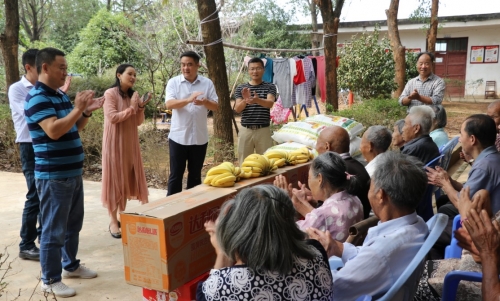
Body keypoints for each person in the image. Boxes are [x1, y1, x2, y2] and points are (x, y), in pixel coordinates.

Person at [24, 47, 103, 297]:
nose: (65, 72)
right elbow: (54, 131)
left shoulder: (58, 96)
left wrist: (86, 110)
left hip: (72, 173)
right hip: (53, 177)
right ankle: (50, 278)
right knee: (53, 229)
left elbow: (74, 127)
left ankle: (70, 266)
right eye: (61, 67)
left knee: (72, 226)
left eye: (66, 68)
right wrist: (78, 108)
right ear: (44, 68)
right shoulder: (37, 97)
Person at [306, 151, 429, 300]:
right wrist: (338, 248)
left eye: (371, 185)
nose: (368, 192)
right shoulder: (417, 224)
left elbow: (331, 290)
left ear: (381, 195)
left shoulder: (380, 253)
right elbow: (369, 258)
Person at [196, 185, 334, 300]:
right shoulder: (316, 254)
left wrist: (222, 254)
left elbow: (210, 291)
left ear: (237, 231)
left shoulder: (219, 288)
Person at [101, 64, 151, 238]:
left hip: (130, 144)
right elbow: (113, 117)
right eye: (130, 74)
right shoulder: (110, 94)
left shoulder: (132, 95)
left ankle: (120, 215)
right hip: (114, 144)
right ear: (119, 75)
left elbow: (137, 121)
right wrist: (131, 107)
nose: (133, 77)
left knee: (124, 180)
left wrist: (141, 107)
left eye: (135, 74)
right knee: (114, 181)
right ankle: (113, 221)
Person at [274, 151, 364, 241]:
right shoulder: (355, 199)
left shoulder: (322, 215)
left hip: (331, 255)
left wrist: (282, 202)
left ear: (320, 179)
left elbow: (290, 234)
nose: (308, 182)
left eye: (309, 178)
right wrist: (303, 203)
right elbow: (322, 219)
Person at [165, 51, 218, 196]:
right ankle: (171, 208)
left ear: (197, 65)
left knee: (195, 175)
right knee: (176, 175)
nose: (186, 68)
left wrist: (205, 102)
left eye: (189, 64)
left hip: (199, 138)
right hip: (178, 137)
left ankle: (192, 207)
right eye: (183, 65)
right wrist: (188, 99)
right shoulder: (174, 82)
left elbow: (216, 106)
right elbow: (169, 104)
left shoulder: (207, 83)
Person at [8, 49, 42, 261]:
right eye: (41, 68)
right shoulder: (17, 89)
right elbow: (31, 113)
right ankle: (26, 244)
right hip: (29, 145)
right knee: (35, 194)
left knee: (46, 194)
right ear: (29, 67)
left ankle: (42, 237)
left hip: (45, 143)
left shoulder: (46, 89)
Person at [315, 125, 371, 218]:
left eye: (317, 143)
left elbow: (323, 218)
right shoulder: (360, 166)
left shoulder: (332, 172)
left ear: (327, 147)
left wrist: (301, 204)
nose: (315, 148)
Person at [234, 57, 277, 165]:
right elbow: (237, 109)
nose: (255, 71)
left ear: (263, 70)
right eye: (252, 69)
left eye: (258, 68)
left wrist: (257, 100)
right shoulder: (241, 88)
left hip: (263, 130)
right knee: (244, 163)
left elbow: (270, 103)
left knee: (266, 163)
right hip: (245, 130)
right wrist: (246, 100)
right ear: (248, 71)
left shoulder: (270, 86)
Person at [463, 202, 500, 301]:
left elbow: (477, 254)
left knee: (422, 283)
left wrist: (488, 252)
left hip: (486, 276)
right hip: (486, 267)